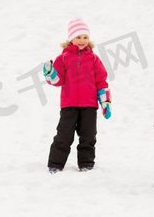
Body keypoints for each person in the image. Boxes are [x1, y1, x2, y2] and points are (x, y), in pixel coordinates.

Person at [43, 18, 111, 174]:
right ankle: (55, 164)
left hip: (89, 105)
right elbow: (58, 80)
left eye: (85, 37)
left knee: (88, 136)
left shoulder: (94, 59)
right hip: (69, 104)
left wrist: (105, 102)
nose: (82, 40)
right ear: (71, 39)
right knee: (64, 135)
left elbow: (101, 81)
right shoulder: (63, 58)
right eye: (78, 37)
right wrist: (50, 74)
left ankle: (86, 164)